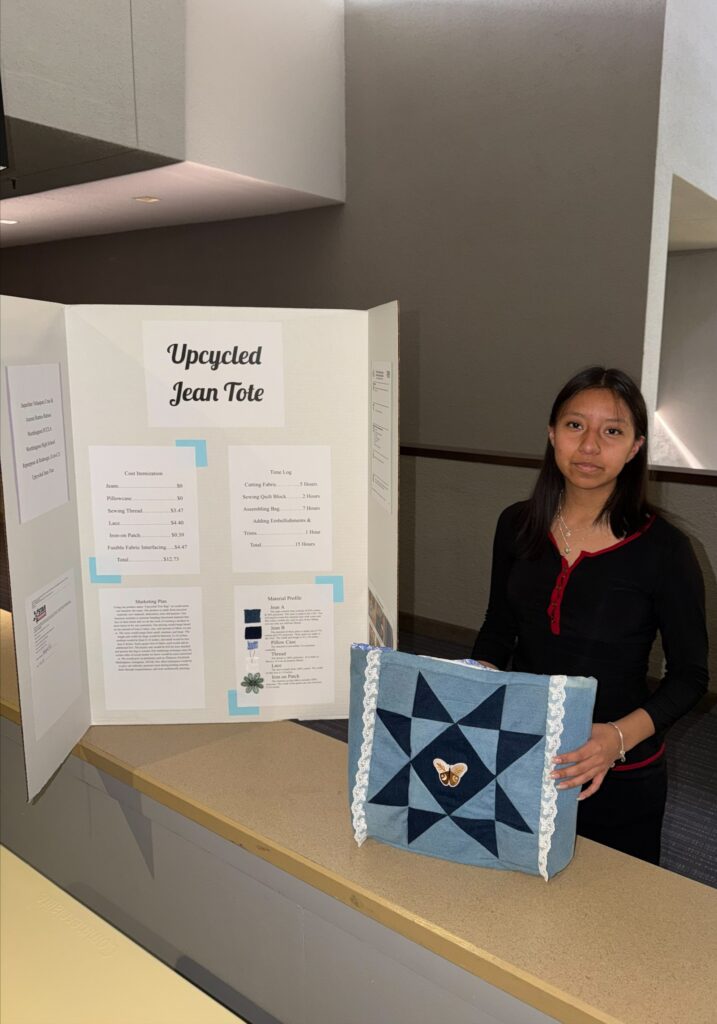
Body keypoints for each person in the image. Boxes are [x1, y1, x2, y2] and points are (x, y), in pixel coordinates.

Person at [471, 366, 709, 864]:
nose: (590, 447)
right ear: (552, 433)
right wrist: (475, 689)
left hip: (619, 768)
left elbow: (689, 677)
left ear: (636, 446)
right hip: (522, 747)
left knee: (612, 920)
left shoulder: (665, 550)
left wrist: (615, 739)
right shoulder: (516, 524)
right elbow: (499, 628)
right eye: (576, 426)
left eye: (613, 431)